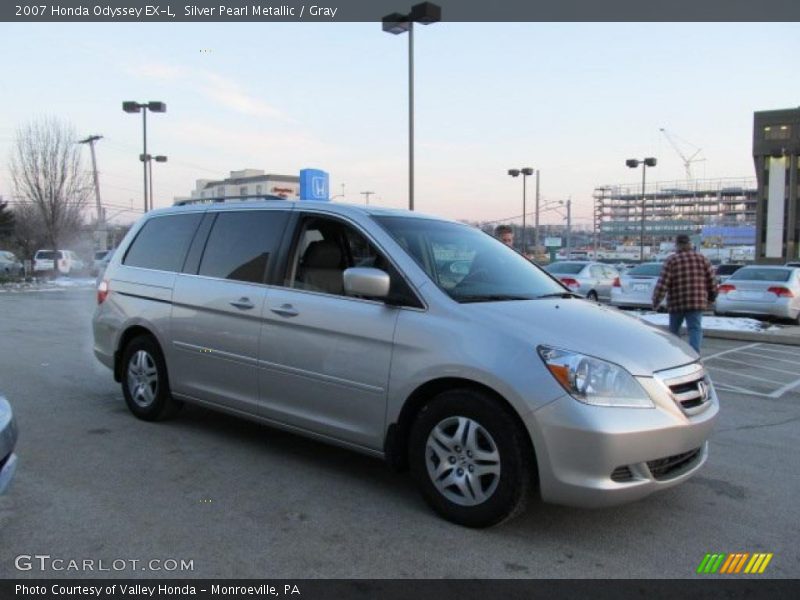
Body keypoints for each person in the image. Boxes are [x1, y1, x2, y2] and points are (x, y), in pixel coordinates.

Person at [652, 234, 717, 353]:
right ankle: (694, 354)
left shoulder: (671, 260)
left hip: (677, 302)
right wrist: (712, 297)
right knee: (695, 329)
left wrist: (656, 302)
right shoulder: (702, 259)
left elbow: (663, 284)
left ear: (677, 245)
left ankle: (677, 355)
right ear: (690, 244)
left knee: (674, 331)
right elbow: (712, 281)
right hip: (697, 302)